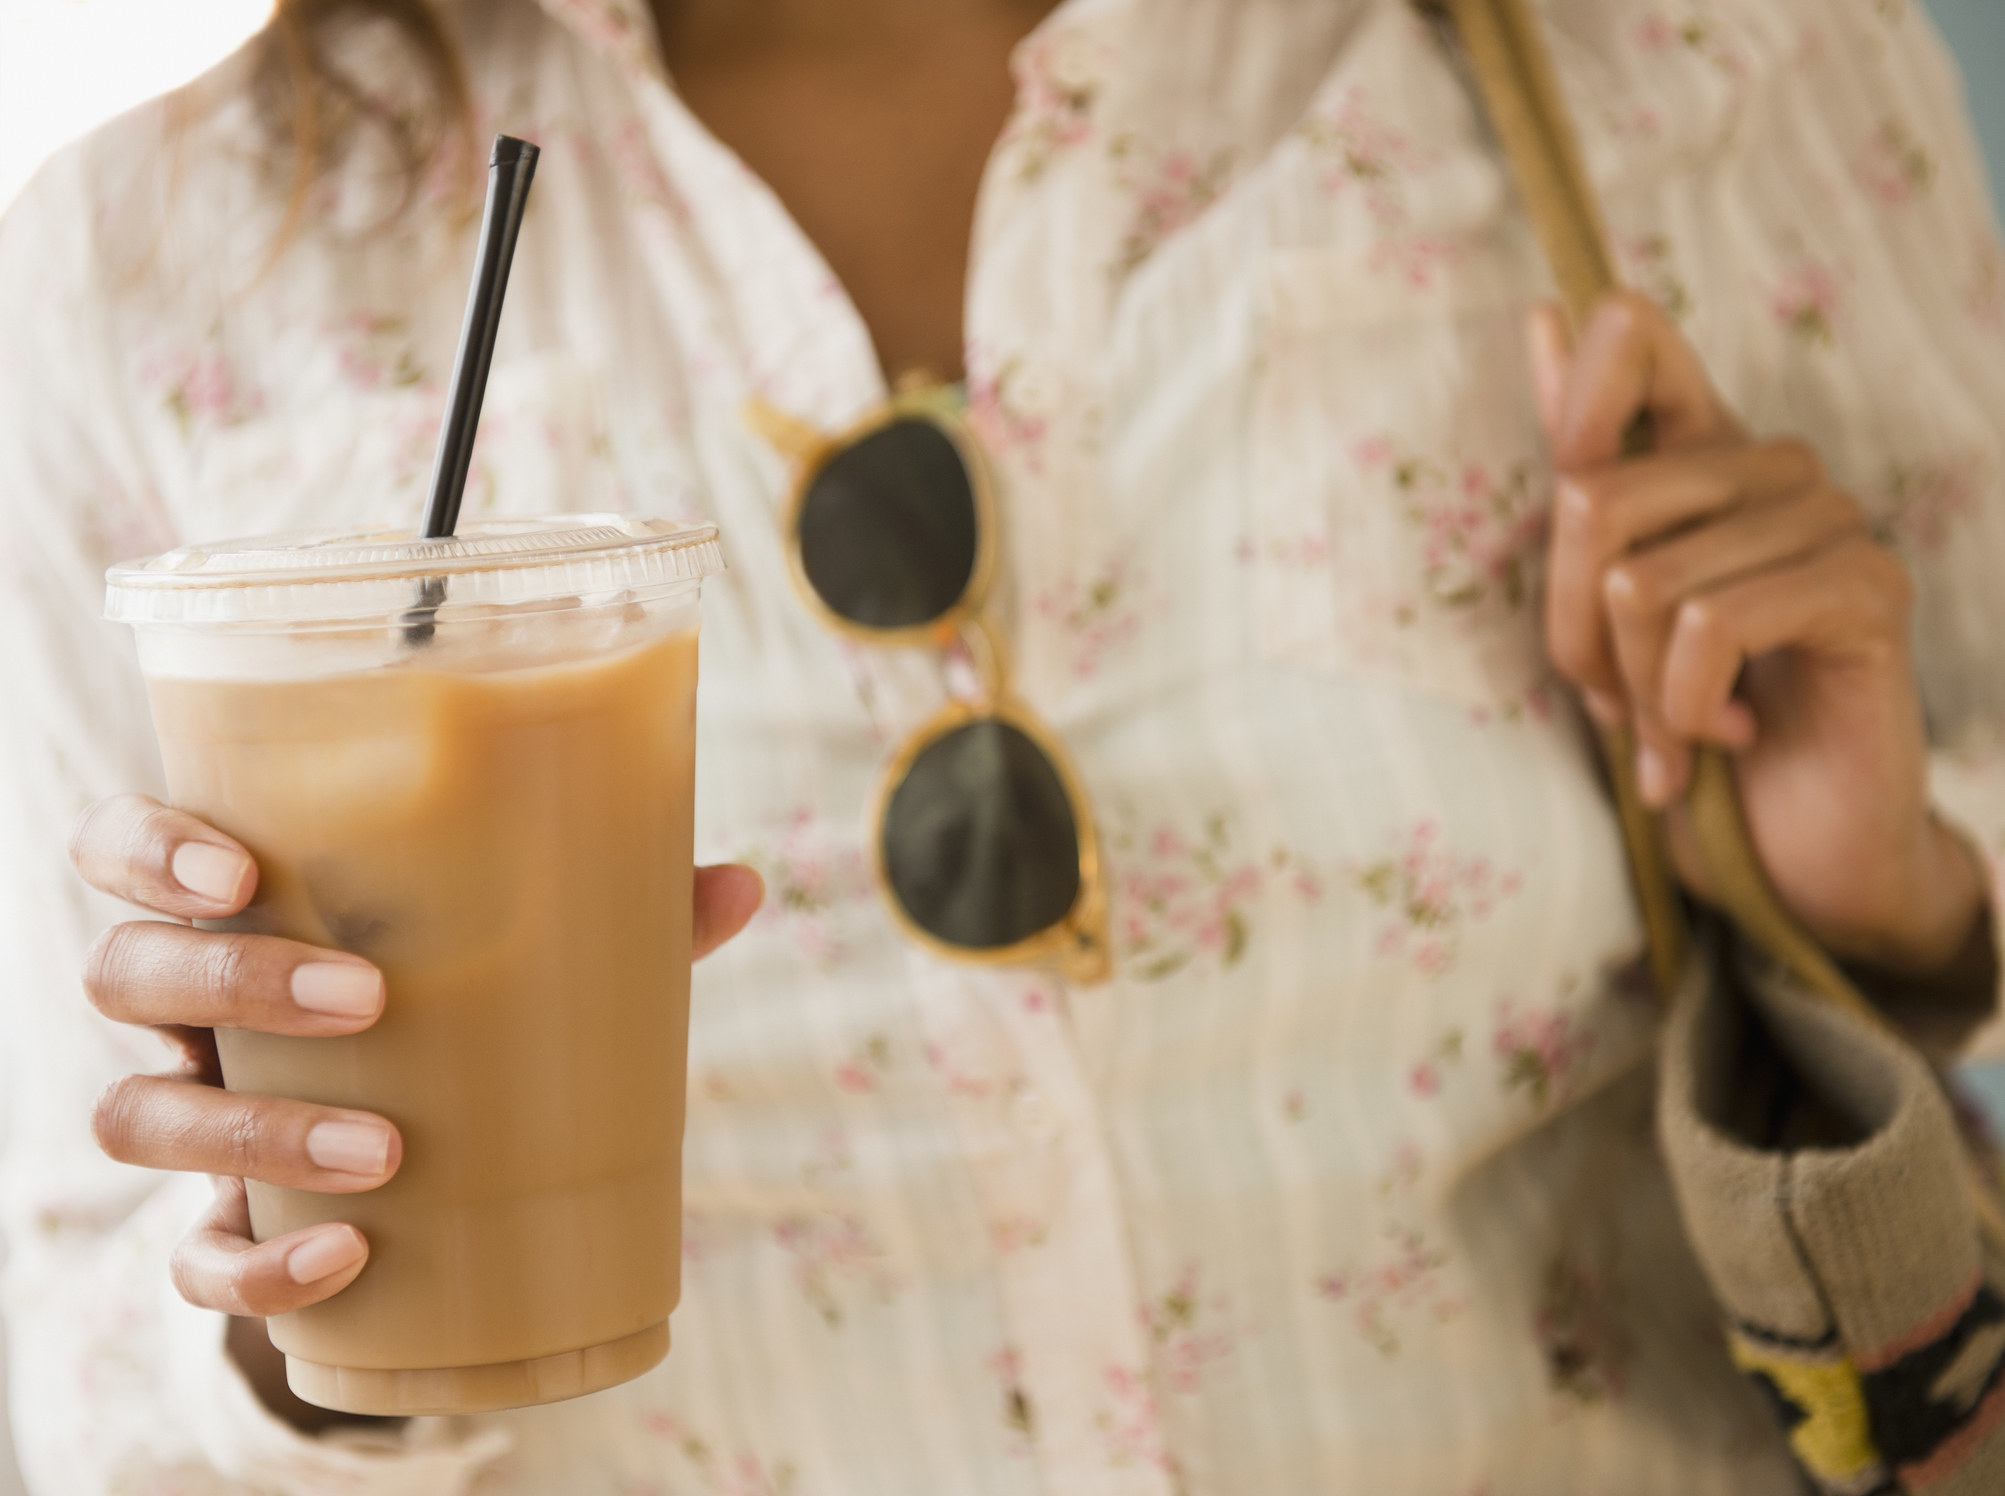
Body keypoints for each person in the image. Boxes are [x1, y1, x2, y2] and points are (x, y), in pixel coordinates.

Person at [4, 0, 2005, 1490]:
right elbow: (70, 1357)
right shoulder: (129, 282)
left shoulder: (1690, 56)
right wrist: (309, 1314)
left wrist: (1892, 885)